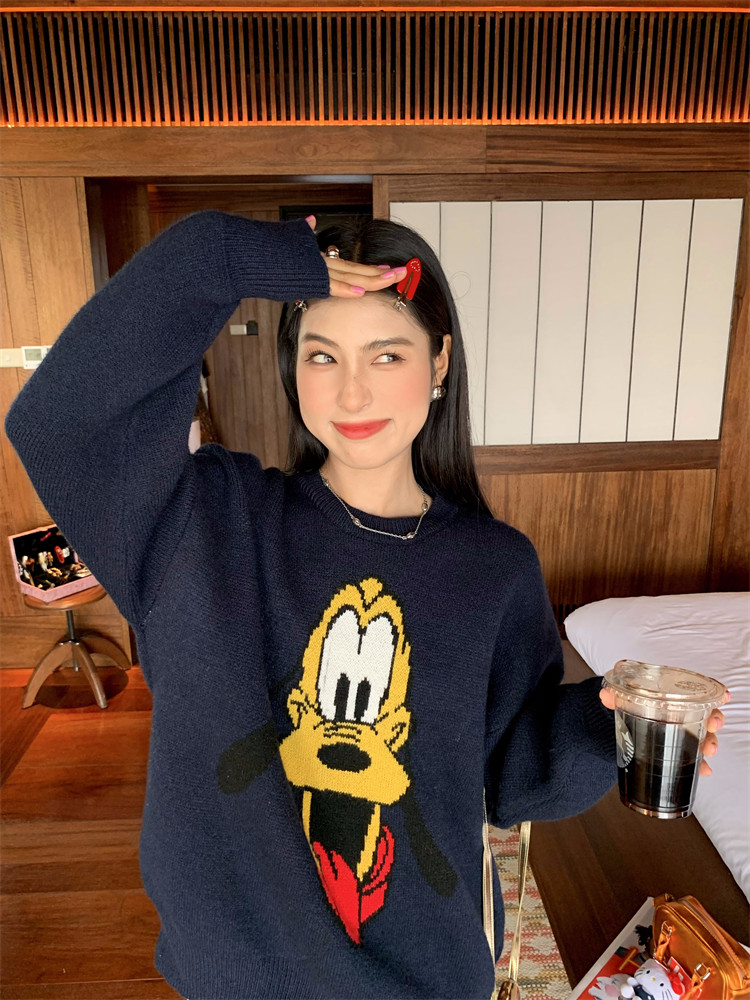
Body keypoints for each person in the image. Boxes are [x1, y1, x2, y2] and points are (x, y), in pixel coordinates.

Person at [4, 209, 727, 1000]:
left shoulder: (494, 566)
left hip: (428, 980)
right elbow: (60, 424)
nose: (353, 390)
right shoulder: (203, 524)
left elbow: (510, 777)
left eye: (387, 353)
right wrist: (223, 258)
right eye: (323, 355)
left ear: (439, 361)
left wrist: (605, 724)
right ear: (292, 369)